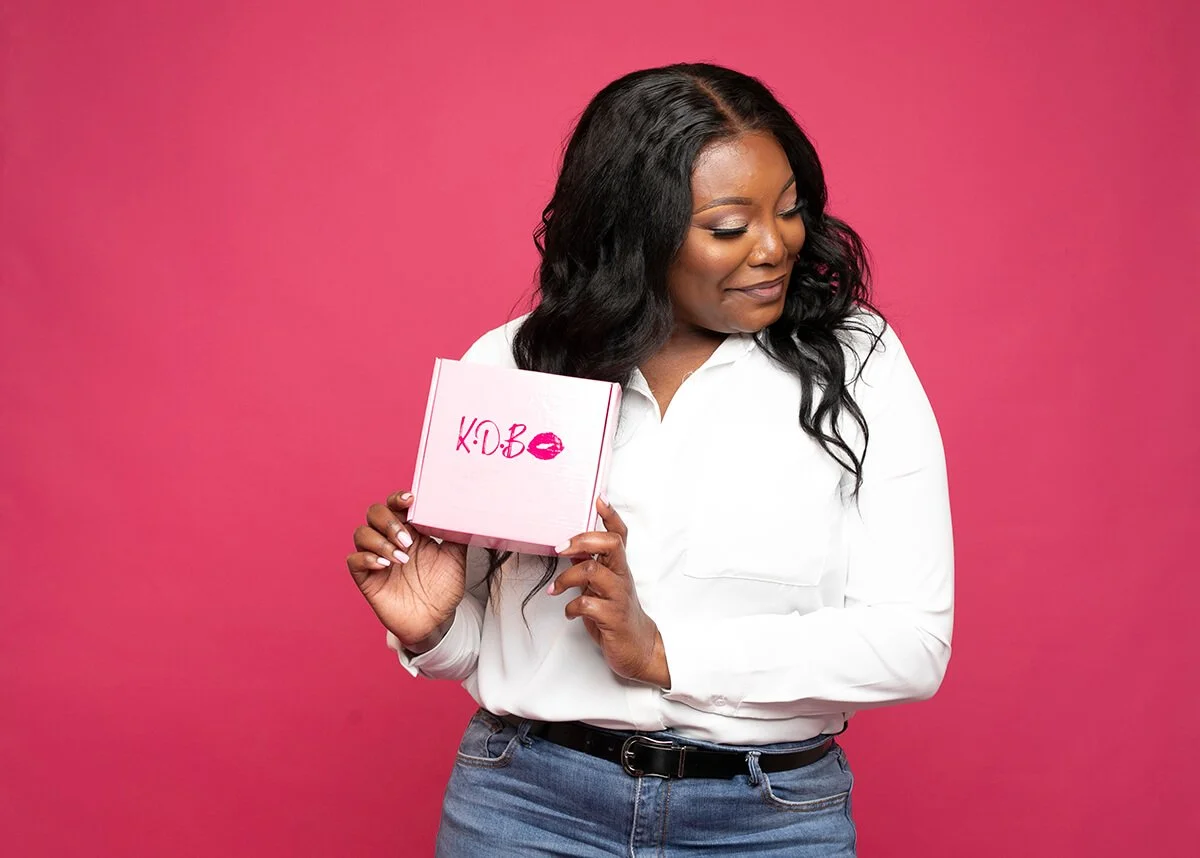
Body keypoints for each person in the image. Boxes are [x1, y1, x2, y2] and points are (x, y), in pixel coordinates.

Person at [346, 62, 953, 857]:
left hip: (767, 825)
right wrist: (434, 631)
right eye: (729, 228)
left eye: (791, 210)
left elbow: (912, 646)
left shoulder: (857, 361)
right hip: (527, 809)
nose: (776, 247)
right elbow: (492, 653)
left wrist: (666, 653)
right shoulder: (517, 363)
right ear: (636, 235)